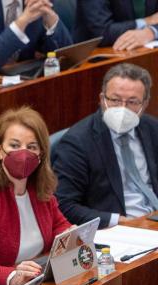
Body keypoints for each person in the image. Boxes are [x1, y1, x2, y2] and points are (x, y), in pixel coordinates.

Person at [0, 106, 71, 285]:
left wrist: (69, 235)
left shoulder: (39, 187)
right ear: (0, 151)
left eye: (32, 147)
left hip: (41, 280)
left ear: (41, 154)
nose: (23, 153)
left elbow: (59, 225)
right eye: (15, 145)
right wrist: (12, 276)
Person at [53, 63, 158, 229]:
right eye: (115, 100)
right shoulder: (77, 142)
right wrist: (119, 221)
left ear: (144, 104)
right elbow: (64, 205)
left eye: (132, 102)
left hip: (153, 219)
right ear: (102, 99)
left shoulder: (152, 128)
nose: (123, 108)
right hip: (119, 229)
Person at [74, 0, 158, 50]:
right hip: (96, 58)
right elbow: (102, 32)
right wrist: (147, 21)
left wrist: (151, 32)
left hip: (143, 51)